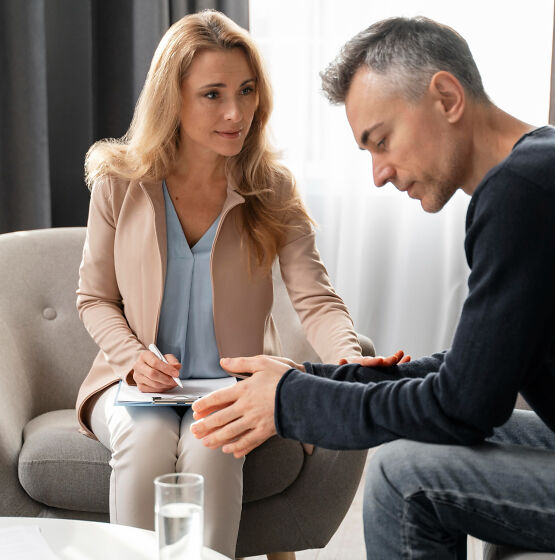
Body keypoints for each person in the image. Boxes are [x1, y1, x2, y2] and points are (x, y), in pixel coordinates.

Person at [189, 16, 555, 560]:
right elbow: (474, 369)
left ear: (447, 97)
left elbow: (463, 407)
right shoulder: (542, 172)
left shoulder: (528, 196)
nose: (378, 174)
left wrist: (293, 402)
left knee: (399, 475)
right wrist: (312, 377)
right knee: (419, 444)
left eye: (381, 141)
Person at [74, 10, 370, 560]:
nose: (236, 112)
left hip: (234, 388)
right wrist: (135, 357)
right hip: (133, 382)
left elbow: (315, 297)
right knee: (145, 443)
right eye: (212, 94)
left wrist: (348, 369)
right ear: (173, 99)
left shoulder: (270, 188)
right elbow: (94, 297)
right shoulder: (119, 181)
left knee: (214, 448)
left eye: (246, 90)